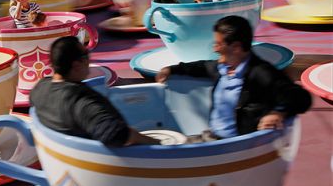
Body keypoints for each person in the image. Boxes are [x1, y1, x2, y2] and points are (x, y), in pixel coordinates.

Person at [155, 16, 311, 141]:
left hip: (237, 147)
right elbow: (200, 67)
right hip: (213, 137)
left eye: (218, 44)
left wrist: (278, 113)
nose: (215, 49)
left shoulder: (261, 73)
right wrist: (171, 69)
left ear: (236, 47)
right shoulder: (222, 68)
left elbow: (301, 97)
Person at [30, 37, 160, 146]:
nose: (89, 60)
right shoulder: (80, 101)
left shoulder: (39, 88)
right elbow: (115, 134)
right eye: (86, 55)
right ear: (76, 65)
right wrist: (156, 143)